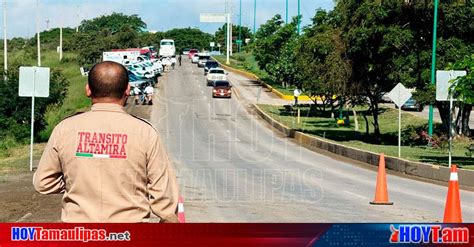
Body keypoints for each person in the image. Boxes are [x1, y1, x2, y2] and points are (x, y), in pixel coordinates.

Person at [33, 61, 179, 223]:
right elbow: (164, 198)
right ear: (127, 90)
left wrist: (74, 183)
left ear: (88, 90)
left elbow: (43, 182)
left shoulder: (65, 129)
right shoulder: (145, 132)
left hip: (79, 235)